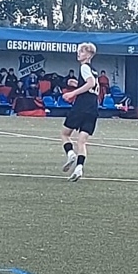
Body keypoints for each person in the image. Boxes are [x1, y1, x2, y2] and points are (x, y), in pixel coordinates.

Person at [60, 43, 100, 182]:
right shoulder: (94, 70)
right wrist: (76, 84)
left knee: (65, 134)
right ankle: (79, 168)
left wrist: (72, 93)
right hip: (93, 108)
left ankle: (70, 153)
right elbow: (91, 86)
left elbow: (90, 83)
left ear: (88, 55)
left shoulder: (84, 67)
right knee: (82, 141)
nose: (78, 54)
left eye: (81, 52)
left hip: (82, 106)